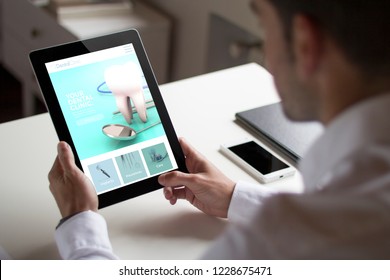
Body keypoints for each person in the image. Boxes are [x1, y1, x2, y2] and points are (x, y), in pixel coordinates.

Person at [49, 0, 390, 259]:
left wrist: (79, 221)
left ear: (305, 43)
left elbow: (317, 226)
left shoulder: (283, 243)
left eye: (264, 28)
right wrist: (234, 198)